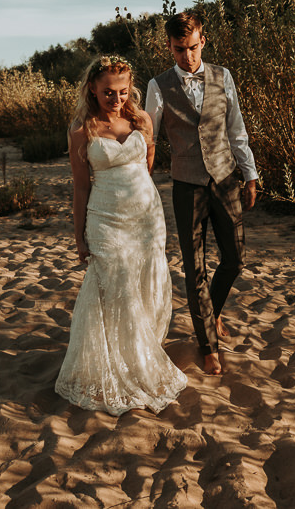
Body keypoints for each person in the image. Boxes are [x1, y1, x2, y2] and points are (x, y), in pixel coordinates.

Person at [55, 55, 187, 415]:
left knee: (145, 284)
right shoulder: (82, 129)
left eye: (123, 91)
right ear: (93, 90)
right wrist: (79, 237)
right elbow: (81, 188)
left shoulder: (141, 119)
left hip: (145, 216)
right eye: (108, 93)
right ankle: (111, 364)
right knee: (114, 286)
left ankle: (137, 357)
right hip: (105, 219)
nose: (116, 99)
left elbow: (146, 166)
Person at [145, 11, 258, 376]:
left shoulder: (223, 77)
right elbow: (147, 140)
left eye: (192, 48)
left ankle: (212, 312)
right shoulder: (157, 86)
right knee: (194, 268)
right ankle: (207, 343)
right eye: (179, 50)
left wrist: (250, 173)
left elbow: (236, 129)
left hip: (225, 179)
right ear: (169, 47)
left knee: (235, 259)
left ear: (202, 41)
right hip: (186, 185)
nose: (187, 57)